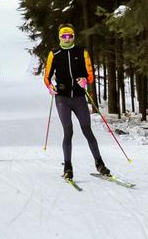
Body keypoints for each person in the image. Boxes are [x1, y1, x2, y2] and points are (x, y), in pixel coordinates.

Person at [43, 23, 110, 179]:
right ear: (59, 37)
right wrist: (50, 87)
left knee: (87, 130)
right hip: (62, 99)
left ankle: (100, 164)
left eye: (70, 36)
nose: (67, 38)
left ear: (74, 37)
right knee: (68, 130)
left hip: (79, 98)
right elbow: (46, 76)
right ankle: (68, 167)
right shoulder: (54, 54)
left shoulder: (82, 52)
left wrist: (85, 80)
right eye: (64, 36)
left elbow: (91, 75)